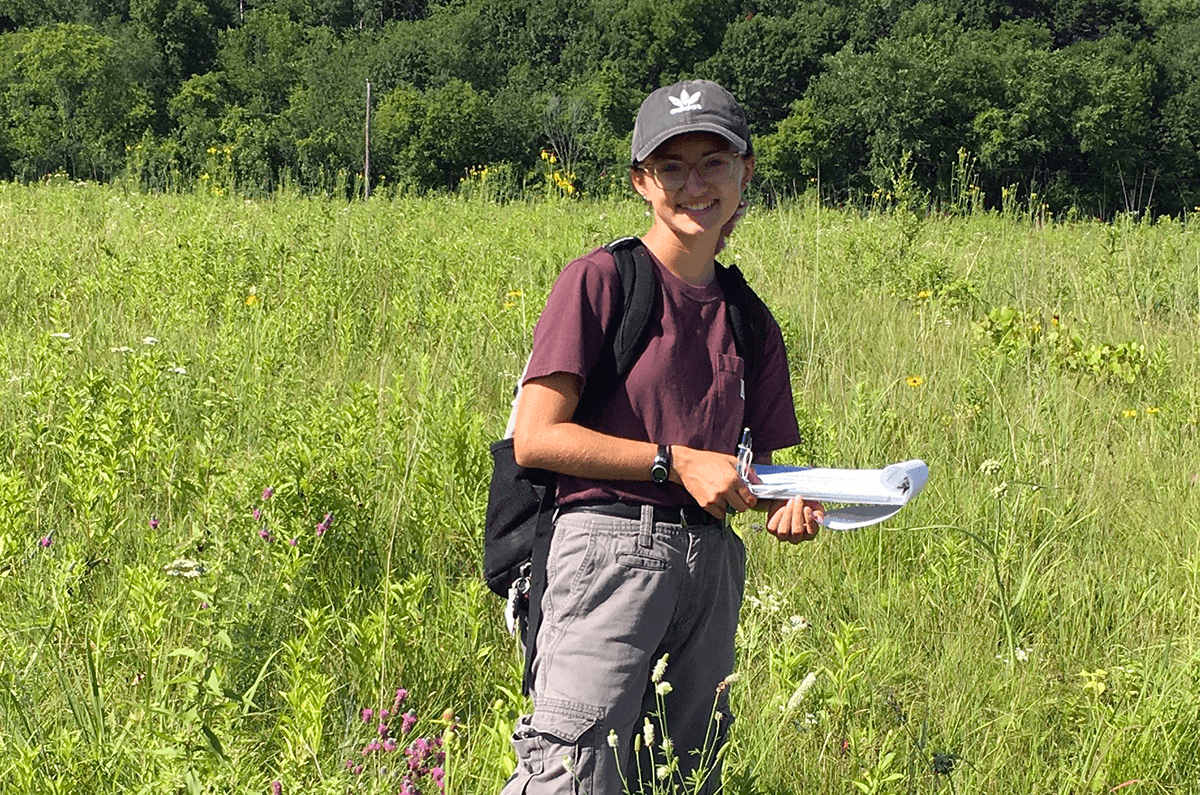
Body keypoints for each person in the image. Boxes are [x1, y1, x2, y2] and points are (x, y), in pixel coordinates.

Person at [502, 78, 824, 795]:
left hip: (709, 568)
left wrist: (782, 505)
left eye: (713, 162)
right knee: (571, 776)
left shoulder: (750, 319)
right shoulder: (599, 282)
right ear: (641, 181)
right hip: (605, 555)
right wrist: (673, 462)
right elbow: (536, 437)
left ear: (745, 173)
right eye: (671, 166)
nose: (694, 184)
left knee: (684, 780)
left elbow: (754, 472)